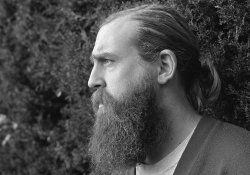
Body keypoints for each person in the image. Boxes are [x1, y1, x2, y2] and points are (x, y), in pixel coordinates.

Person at [87, 3, 250, 175]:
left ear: (164, 67)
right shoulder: (121, 170)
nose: (92, 81)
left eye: (107, 61)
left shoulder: (238, 159)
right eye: (94, 64)